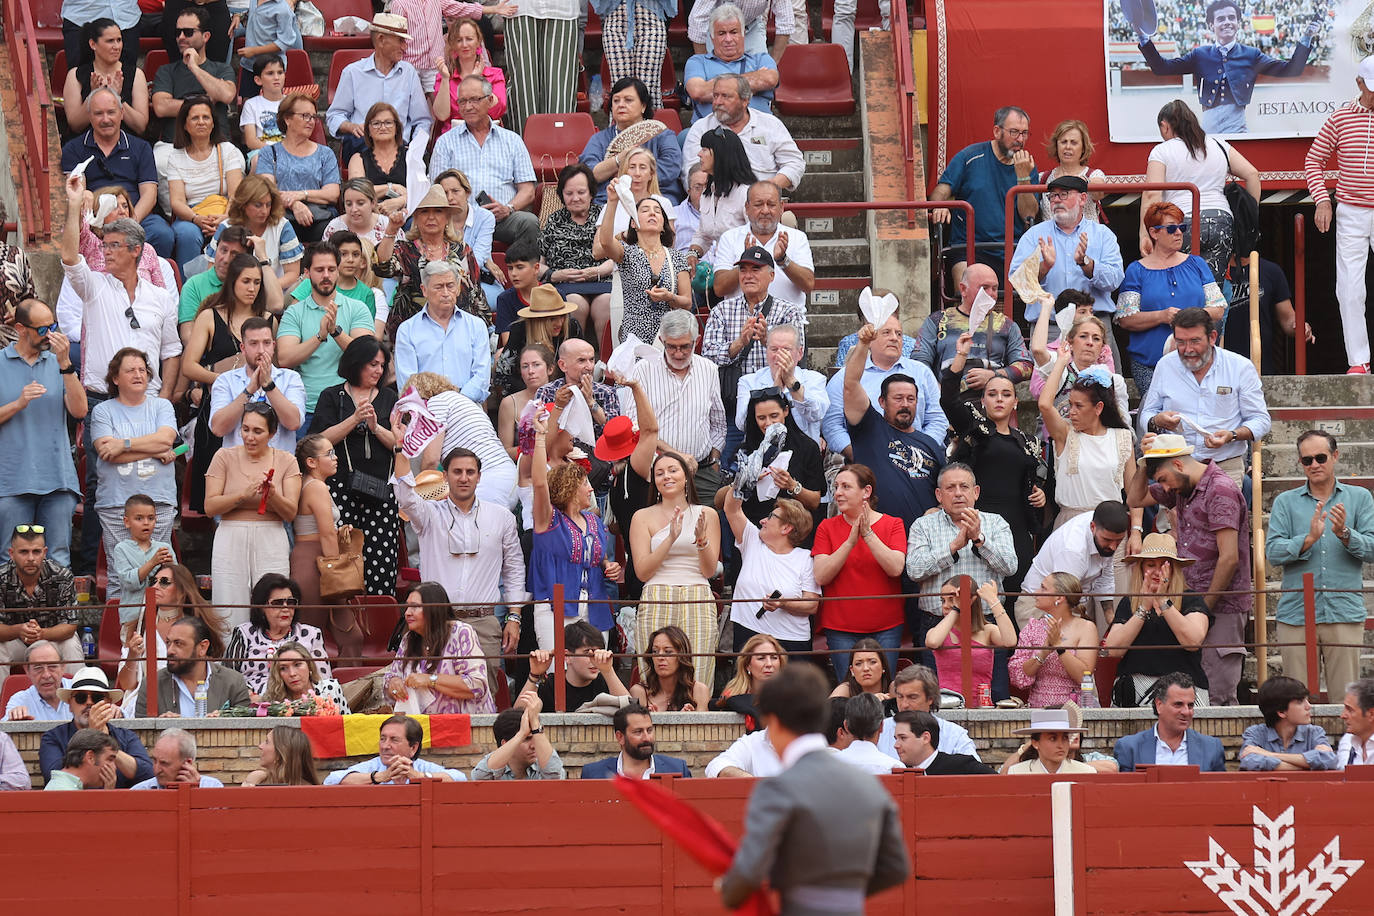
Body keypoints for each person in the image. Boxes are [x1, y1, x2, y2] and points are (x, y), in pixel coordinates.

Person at [717, 664, 910, 912]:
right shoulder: (868, 784)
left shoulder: (777, 788)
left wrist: (727, 889)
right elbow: (896, 868)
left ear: (774, 722)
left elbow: (748, 874)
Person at [392, 437, 528, 687]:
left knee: (482, 693)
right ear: (445, 477)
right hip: (435, 620)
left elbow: (514, 570)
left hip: (483, 622)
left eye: (469, 472)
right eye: (457, 472)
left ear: (479, 476)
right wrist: (401, 448)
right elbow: (407, 498)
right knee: (429, 695)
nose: (463, 478)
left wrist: (514, 617)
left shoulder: (502, 517)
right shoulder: (429, 514)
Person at [1128, 433, 1251, 706]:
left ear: (1179, 465)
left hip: (1221, 606)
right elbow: (1135, 499)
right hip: (1193, 604)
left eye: (1162, 480)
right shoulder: (1183, 486)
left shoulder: (1220, 489)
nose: (1164, 489)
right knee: (1190, 694)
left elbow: (1229, 558)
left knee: (1216, 696)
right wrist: (1142, 463)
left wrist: (1202, 609)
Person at [1266, 430, 1374, 694]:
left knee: (1346, 701)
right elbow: (1273, 553)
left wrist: (1345, 534)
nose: (1314, 464)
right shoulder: (1285, 502)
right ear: (1300, 463)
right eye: (1307, 460)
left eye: (1320, 457)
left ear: (1335, 456)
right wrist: (1308, 539)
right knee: (1295, 702)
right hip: (1296, 614)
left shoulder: (1360, 498)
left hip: (1343, 612)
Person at [942, 341, 1044, 599]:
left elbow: (1036, 480)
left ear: (1016, 402)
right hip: (980, 525)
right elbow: (949, 398)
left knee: (1015, 595)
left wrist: (1040, 494)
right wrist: (962, 354)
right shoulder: (975, 429)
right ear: (983, 401)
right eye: (993, 394)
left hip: (1018, 527)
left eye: (1006, 394)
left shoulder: (1028, 441)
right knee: (980, 597)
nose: (999, 399)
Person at [1134, 1, 1319, 134]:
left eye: (1232, 17)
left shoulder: (1252, 54)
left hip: (1238, 127)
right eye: (1221, 19)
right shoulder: (1199, 55)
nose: (1227, 22)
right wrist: (1144, 39)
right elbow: (1162, 68)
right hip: (1207, 128)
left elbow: (1292, 70)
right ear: (1211, 24)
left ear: (1239, 23)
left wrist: (1307, 38)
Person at [309, 336, 400, 604]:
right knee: (345, 563)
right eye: (372, 364)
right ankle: (347, 625)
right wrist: (354, 419)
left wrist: (375, 427)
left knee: (380, 563)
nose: (378, 371)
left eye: (382, 366)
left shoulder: (389, 397)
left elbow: (399, 443)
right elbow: (318, 441)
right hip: (341, 490)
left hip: (380, 491)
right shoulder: (332, 395)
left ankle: (379, 627)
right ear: (356, 363)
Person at [1139, 307, 1271, 490]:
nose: (1188, 350)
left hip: (1225, 464)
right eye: (1181, 342)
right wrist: (1156, 421)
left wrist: (1232, 435)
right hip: (1176, 464)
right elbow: (1148, 413)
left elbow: (1261, 420)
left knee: (1222, 518)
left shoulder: (1240, 367)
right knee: (1171, 519)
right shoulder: (1165, 365)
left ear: (1212, 337)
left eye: (1195, 341)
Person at [905, 462, 1018, 665]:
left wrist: (980, 540)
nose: (958, 493)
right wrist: (953, 547)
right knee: (938, 694)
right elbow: (914, 570)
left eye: (964, 487)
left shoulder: (996, 523)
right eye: (950, 488)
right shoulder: (923, 525)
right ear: (939, 495)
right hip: (938, 623)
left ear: (976, 492)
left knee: (991, 694)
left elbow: (1010, 567)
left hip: (986, 623)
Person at [88, 348, 179, 601]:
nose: (138, 374)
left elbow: (166, 440)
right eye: (130, 370)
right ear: (115, 378)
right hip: (117, 504)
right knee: (121, 575)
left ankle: (155, 637)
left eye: (142, 370)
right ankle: (122, 637)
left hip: (158, 502)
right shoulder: (103, 411)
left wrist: (124, 445)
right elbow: (107, 452)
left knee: (160, 574)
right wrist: (153, 449)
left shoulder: (162, 405)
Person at [0, 299, 85, 568]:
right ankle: (12, 612)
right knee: (10, 561)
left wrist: (66, 364)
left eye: (54, 326)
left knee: (58, 559)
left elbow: (80, 410)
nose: (50, 334)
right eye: (42, 329)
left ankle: (60, 612)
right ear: (21, 329)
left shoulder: (58, 363)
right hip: (11, 481)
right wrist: (18, 404)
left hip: (57, 479)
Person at [703, 247, 806, 465]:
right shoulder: (721, 310)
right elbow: (707, 357)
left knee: (780, 468)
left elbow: (797, 353)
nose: (748, 275)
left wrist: (768, 341)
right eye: (743, 270)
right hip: (733, 406)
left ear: (771, 276)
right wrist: (739, 343)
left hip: (777, 407)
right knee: (731, 469)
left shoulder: (788, 311)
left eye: (755, 270)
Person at [204, 403, 302, 628]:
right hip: (230, 533)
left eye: (258, 431)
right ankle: (230, 658)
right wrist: (243, 495)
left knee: (274, 599)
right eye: (245, 429)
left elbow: (290, 511)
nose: (250, 437)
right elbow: (210, 506)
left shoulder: (286, 459)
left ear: (272, 433)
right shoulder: (223, 456)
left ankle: (273, 656)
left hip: (271, 534)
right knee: (228, 603)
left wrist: (273, 495)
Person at [1140, 99, 1260, 284]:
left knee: (1180, 289)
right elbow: (1252, 174)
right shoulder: (1219, 145)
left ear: (1165, 126)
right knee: (1212, 292)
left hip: (1180, 224)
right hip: (1222, 221)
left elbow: (1152, 194)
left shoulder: (1161, 151)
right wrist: (1250, 214)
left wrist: (1144, 233)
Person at [1007, 175, 1124, 364]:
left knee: (1105, 390)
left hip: (1094, 327)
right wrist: (1044, 267)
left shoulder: (1103, 235)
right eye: (1053, 196)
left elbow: (1114, 280)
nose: (1056, 201)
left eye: (1064, 194)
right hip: (1050, 328)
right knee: (1047, 391)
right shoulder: (1034, 235)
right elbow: (1018, 283)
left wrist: (1087, 264)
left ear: (1083, 199)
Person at [1304, 59, 1374, 374]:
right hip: (1352, 210)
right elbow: (1314, 160)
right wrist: (1322, 200)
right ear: (1360, 83)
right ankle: (1358, 360)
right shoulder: (1341, 117)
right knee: (1348, 287)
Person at [1115, 202, 1227, 397]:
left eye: (1181, 227)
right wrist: (1161, 316)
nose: (1178, 233)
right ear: (1154, 232)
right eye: (1171, 228)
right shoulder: (1136, 270)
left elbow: (1218, 308)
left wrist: (1188, 316)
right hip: (1150, 364)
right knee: (1158, 417)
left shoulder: (1197, 264)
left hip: (1197, 361)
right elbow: (1125, 318)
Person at [840, 322, 945, 528]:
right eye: (898, 398)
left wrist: (940, 509)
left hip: (922, 543)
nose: (905, 404)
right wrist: (863, 344)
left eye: (911, 399)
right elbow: (851, 384)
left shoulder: (930, 444)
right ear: (882, 402)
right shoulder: (869, 428)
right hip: (876, 535)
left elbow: (946, 489)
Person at [529, 410, 620, 649]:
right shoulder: (549, 520)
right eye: (584, 484)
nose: (590, 490)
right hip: (556, 606)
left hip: (596, 605)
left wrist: (608, 566)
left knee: (596, 669)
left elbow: (601, 558)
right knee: (557, 672)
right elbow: (539, 483)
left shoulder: (594, 521)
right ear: (569, 488)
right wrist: (540, 437)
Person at [629, 446, 723, 674]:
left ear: (686, 476)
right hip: (657, 593)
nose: (666, 476)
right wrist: (671, 537)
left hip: (697, 593)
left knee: (698, 669)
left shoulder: (706, 514)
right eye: (660, 473)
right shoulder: (642, 516)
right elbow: (642, 572)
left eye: (673, 470)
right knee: (654, 672)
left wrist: (702, 541)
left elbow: (709, 571)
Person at [812, 465, 906, 681]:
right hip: (840, 627)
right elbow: (821, 576)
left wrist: (868, 535)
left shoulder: (893, 524)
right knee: (848, 687)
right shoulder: (826, 527)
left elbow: (895, 568)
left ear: (866, 492)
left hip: (886, 626)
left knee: (883, 687)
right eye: (836, 487)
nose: (837, 493)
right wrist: (850, 542)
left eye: (846, 486)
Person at [60, 88, 178, 261]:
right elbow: (79, 189)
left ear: (122, 113)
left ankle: (151, 278)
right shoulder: (73, 149)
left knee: (163, 234)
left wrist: (131, 222)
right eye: (98, 113)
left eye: (111, 112)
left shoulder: (141, 147)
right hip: (96, 220)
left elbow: (150, 194)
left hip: (136, 214)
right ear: (89, 116)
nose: (106, 119)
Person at [927, 105, 1039, 284]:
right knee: (966, 285)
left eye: (1025, 133)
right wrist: (940, 204)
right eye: (1014, 132)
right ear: (997, 131)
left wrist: (1023, 176)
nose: (1020, 139)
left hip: (1012, 249)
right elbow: (940, 191)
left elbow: (1029, 214)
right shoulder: (970, 157)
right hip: (968, 247)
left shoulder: (1028, 166)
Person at [428, 75, 540, 250]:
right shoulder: (445, 142)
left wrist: (508, 208)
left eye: (474, 99)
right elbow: (436, 191)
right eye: (463, 101)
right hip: (461, 220)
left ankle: (521, 275)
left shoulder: (512, 140)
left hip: (503, 218)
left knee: (529, 222)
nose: (468, 106)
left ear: (489, 101)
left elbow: (528, 190)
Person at [627, 311, 727, 501]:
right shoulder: (644, 370)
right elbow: (634, 427)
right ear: (661, 340)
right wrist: (676, 455)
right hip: (657, 472)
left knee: (705, 527)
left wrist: (714, 459)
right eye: (671, 347)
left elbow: (718, 422)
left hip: (702, 473)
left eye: (685, 346)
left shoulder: (709, 369)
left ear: (696, 341)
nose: (678, 353)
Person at [276, 242, 377, 428]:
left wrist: (335, 332)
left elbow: (368, 356)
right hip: (306, 407)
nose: (326, 275)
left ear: (338, 272)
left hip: (349, 406)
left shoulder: (357, 308)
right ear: (307, 273)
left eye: (331, 269)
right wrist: (319, 337)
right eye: (319, 269)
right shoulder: (294, 312)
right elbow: (284, 358)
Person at [824, 310, 946, 461]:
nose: (894, 338)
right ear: (870, 340)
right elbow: (832, 425)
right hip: (861, 458)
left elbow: (937, 419)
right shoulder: (846, 377)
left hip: (918, 457)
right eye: (887, 332)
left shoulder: (922, 373)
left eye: (899, 334)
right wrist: (858, 454)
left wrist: (920, 450)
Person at [1037, 349, 1137, 529]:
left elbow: (1134, 492)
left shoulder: (1122, 436)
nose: (1071, 411)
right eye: (1070, 405)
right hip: (1071, 524)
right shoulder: (1066, 434)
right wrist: (1061, 362)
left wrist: (1137, 531)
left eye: (1078, 406)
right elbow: (1045, 404)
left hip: (1111, 527)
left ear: (1098, 408)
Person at [114, 562, 229, 712]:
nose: (155, 587)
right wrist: (133, 654)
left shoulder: (199, 627)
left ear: (182, 591)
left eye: (164, 582)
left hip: (190, 698)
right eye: (153, 581)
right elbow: (127, 685)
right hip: (146, 702)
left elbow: (210, 674)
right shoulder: (139, 627)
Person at [325, 13, 433, 164]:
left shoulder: (409, 73)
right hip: (363, 145)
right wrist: (350, 126)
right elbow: (334, 115)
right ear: (381, 40)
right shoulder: (353, 72)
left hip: (400, 149)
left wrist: (414, 149)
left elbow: (422, 121)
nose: (405, 47)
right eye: (401, 40)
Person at [724, 483, 818, 654]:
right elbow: (731, 509)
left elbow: (812, 605)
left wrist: (783, 603)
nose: (762, 521)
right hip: (749, 635)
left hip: (791, 642)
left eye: (771, 517)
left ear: (786, 528)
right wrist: (742, 480)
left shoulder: (805, 558)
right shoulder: (752, 541)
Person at [913, 263, 1033, 395]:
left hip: (991, 405)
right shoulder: (937, 320)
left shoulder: (1007, 325)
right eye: (984, 288)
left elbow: (1026, 366)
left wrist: (994, 375)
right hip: (943, 403)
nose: (991, 294)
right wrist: (938, 393)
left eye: (995, 288)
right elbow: (919, 362)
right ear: (963, 289)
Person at [382, 581, 497, 715]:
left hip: (468, 727)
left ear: (434, 608)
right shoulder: (409, 639)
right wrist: (393, 683)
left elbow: (477, 685)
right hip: (423, 729)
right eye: (407, 607)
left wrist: (430, 680)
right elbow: (391, 678)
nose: (407, 613)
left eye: (415, 607)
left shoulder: (460, 632)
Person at [598, 188, 693, 345]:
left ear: (663, 225)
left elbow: (687, 302)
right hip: (633, 339)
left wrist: (669, 297)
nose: (652, 213)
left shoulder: (676, 257)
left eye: (657, 211)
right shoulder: (626, 252)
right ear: (633, 223)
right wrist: (612, 202)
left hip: (668, 338)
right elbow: (605, 242)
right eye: (645, 210)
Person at [1017, 500, 1131, 630]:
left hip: (1066, 602)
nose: (1113, 547)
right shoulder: (1073, 549)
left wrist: (1110, 617)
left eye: (1119, 541)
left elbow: (1105, 576)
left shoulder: (1104, 528)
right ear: (1092, 527)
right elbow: (1062, 600)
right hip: (1038, 608)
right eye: (1107, 540)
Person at [409, 371, 516, 508]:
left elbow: (431, 460)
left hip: (487, 480)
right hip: (507, 476)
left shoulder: (435, 403)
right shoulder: (462, 401)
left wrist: (423, 493)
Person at [206, 315, 307, 461]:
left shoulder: (291, 378)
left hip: (279, 469)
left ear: (273, 346)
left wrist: (269, 386)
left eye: (266, 343)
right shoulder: (225, 380)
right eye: (253, 343)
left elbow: (294, 423)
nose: (261, 350)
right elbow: (218, 428)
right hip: (237, 468)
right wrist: (249, 391)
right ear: (243, 348)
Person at [683, 76, 805, 195]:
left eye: (725, 96)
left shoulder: (770, 125)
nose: (717, 102)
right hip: (717, 200)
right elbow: (692, 174)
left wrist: (770, 186)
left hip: (763, 204)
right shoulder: (701, 128)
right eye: (715, 96)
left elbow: (794, 163)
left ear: (745, 100)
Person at [1028, 293, 1128, 436]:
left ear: (1102, 346)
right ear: (1071, 342)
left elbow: (1124, 426)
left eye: (1096, 339)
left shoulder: (1114, 381)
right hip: (1066, 445)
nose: (1090, 342)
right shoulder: (1061, 373)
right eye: (1083, 336)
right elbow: (1038, 350)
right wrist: (1046, 307)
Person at [39, 665, 154, 787]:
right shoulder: (53, 737)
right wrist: (92, 737)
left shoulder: (126, 736)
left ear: (108, 704)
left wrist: (105, 741)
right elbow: (53, 776)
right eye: (81, 697)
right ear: (69, 705)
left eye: (97, 698)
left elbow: (147, 775)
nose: (89, 703)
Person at [165, 94, 245, 265]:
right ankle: (189, 288)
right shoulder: (175, 157)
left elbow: (235, 194)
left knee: (230, 229)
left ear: (213, 122)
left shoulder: (227, 150)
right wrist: (196, 219)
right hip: (191, 215)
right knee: (187, 234)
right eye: (195, 118)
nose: (201, 122)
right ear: (185, 125)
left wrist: (224, 217)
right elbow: (177, 201)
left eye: (206, 117)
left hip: (225, 210)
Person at [579, 78, 683, 206]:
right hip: (609, 203)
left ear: (643, 106)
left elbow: (671, 166)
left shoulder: (662, 135)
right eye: (616, 100)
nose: (621, 105)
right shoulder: (599, 139)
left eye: (628, 100)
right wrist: (619, 160)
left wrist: (627, 176)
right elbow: (589, 174)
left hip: (656, 200)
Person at [254, 94, 342, 245]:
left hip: (320, 216)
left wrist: (301, 195)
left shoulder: (325, 154)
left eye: (313, 117)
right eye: (305, 116)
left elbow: (332, 194)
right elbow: (266, 192)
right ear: (287, 119)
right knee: (280, 229)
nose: (311, 122)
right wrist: (294, 204)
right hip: (282, 216)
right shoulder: (269, 153)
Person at [223, 573, 331, 694]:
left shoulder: (311, 634)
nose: (285, 608)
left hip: (299, 703)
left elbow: (324, 681)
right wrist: (248, 694)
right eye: (277, 603)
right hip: (252, 704)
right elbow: (227, 677)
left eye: (290, 602)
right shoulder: (244, 634)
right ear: (261, 607)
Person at [712, 181, 815, 305]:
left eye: (771, 205)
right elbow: (719, 288)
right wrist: (745, 263)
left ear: (781, 207)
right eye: (758, 205)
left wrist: (783, 260)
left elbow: (808, 285)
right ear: (747, 208)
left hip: (787, 321)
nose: (765, 211)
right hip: (740, 321)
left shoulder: (796, 237)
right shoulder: (730, 238)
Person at [0, 527, 84, 678]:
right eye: (24, 552)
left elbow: (70, 625)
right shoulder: (1, 578)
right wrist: (19, 630)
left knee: (71, 642)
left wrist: (42, 634)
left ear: (45, 552)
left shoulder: (62, 576)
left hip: (51, 641)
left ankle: (79, 696)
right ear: (11, 554)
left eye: (36, 552)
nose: (31, 558)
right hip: (15, 642)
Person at [543, 165, 613, 343]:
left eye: (581, 192)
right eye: (569, 193)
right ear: (562, 195)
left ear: (591, 193)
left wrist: (599, 271)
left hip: (603, 281)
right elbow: (538, 264)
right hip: (566, 284)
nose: (575, 198)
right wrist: (555, 274)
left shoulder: (605, 216)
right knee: (575, 304)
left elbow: (620, 254)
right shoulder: (553, 221)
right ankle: (574, 361)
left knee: (606, 303)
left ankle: (606, 364)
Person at [150, 7, 236, 150]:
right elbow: (161, 107)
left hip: (217, 145)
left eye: (188, 32)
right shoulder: (166, 71)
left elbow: (226, 95)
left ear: (206, 36)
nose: (181, 37)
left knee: (237, 161)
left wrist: (194, 68)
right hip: (174, 145)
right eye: (178, 33)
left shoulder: (222, 69)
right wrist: (206, 101)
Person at [1009, 572, 1099, 707]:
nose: (1036, 592)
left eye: (1043, 588)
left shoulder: (1085, 627)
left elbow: (1083, 677)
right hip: (1039, 710)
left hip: (1074, 711)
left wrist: (1059, 647)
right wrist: (1044, 652)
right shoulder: (1033, 627)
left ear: (1059, 597)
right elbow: (1018, 675)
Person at [136, 615, 252, 716]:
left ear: (202, 647)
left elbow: (243, 730)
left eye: (178, 643)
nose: (170, 650)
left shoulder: (233, 682)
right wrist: (161, 726)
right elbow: (142, 735)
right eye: (168, 643)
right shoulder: (152, 684)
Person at [924, 578, 1017, 699]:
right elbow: (932, 642)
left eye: (952, 599)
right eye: (943, 600)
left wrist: (993, 600)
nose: (945, 606)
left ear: (971, 601)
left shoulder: (988, 630)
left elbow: (1010, 641)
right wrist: (957, 608)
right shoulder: (939, 631)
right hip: (948, 705)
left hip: (981, 706)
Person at [1113, 672, 1226, 771]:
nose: (1186, 712)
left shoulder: (1211, 748)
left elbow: (1220, 793)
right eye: (1178, 705)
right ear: (1159, 705)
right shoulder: (1129, 748)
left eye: (1190, 705)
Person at [684, 5, 781, 121]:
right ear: (712, 37)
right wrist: (748, 86)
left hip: (758, 132)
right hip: (710, 133)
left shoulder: (761, 59)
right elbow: (698, 92)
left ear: (743, 34)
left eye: (734, 32)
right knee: (683, 137)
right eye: (721, 33)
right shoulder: (697, 62)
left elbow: (770, 79)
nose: (728, 39)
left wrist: (715, 88)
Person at [205, 176, 305, 288]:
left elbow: (292, 274)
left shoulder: (282, 226)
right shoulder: (226, 227)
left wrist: (261, 290)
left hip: (273, 296)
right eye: (258, 205)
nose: (264, 211)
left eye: (268, 204)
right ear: (243, 204)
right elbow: (212, 269)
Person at [1221, 255, 1313, 372]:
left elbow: (1288, 317)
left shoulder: (1271, 271)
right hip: (1222, 366)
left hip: (1260, 366)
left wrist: (1300, 326)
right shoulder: (1214, 271)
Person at [500, 0, 579, 135]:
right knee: (523, 87)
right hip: (519, 8)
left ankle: (560, 147)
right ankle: (523, 150)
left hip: (563, 9)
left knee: (560, 92)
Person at [64, 18, 151, 135]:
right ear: (93, 44)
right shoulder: (75, 75)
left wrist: (118, 98)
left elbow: (140, 126)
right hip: (87, 144)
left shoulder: (136, 74)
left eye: (119, 40)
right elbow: (75, 125)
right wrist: (92, 97)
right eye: (110, 41)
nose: (117, 46)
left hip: (126, 144)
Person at [688, 114, 758, 258]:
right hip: (720, 264)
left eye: (705, 149)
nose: (699, 154)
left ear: (720, 155)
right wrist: (693, 254)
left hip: (745, 265)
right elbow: (703, 235)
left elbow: (758, 237)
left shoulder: (746, 193)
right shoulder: (708, 193)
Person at [325, 713, 466, 783]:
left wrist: (419, 777)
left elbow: (461, 779)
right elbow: (331, 780)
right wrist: (379, 777)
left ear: (413, 748)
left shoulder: (422, 768)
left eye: (394, 740)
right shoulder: (372, 766)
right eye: (382, 739)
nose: (385, 746)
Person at [497, 286, 585, 397]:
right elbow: (504, 374)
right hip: (528, 394)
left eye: (562, 316)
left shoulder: (572, 326)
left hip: (567, 392)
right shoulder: (520, 329)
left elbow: (582, 364)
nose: (559, 323)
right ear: (537, 320)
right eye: (552, 319)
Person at [1238, 676, 1337, 771]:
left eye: (1307, 700)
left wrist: (1270, 754)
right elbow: (1249, 761)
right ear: (1281, 712)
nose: (1308, 706)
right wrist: (1305, 766)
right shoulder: (1255, 733)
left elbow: (1329, 760)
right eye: (1300, 701)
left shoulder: (1314, 732)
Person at [432, 16, 509, 134]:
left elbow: (498, 109)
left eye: (469, 39)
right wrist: (445, 79)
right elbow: (442, 115)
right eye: (459, 40)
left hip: (488, 136)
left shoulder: (495, 74)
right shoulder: (444, 76)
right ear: (453, 45)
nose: (464, 44)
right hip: (453, 137)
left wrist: (477, 81)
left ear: (478, 42)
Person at [535, 339, 622, 439]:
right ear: (563, 365)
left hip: (596, 452)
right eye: (581, 361)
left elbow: (614, 432)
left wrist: (591, 402)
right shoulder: (546, 392)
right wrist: (558, 406)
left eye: (592, 360)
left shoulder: (607, 392)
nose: (589, 367)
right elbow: (539, 435)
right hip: (558, 453)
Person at [110, 493, 175, 624]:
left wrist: (170, 566)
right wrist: (152, 563)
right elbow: (128, 582)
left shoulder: (164, 547)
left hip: (162, 615)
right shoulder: (121, 549)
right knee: (134, 645)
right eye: (139, 518)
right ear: (127, 522)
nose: (146, 523)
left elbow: (178, 580)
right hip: (132, 615)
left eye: (151, 518)